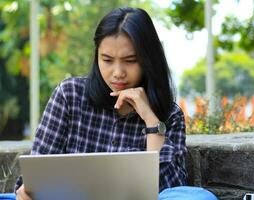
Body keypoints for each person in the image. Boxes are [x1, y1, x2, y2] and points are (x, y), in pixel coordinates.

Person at [15, 7, 218, 200]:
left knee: (199, 197)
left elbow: (171, 189)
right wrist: (27, 191)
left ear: (148, 60)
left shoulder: (169, 114)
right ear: (97, 57)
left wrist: (151, 122)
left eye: (130, 60)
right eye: (107, 60)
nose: (118, 72)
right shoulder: (70, 94)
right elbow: (34, 176)